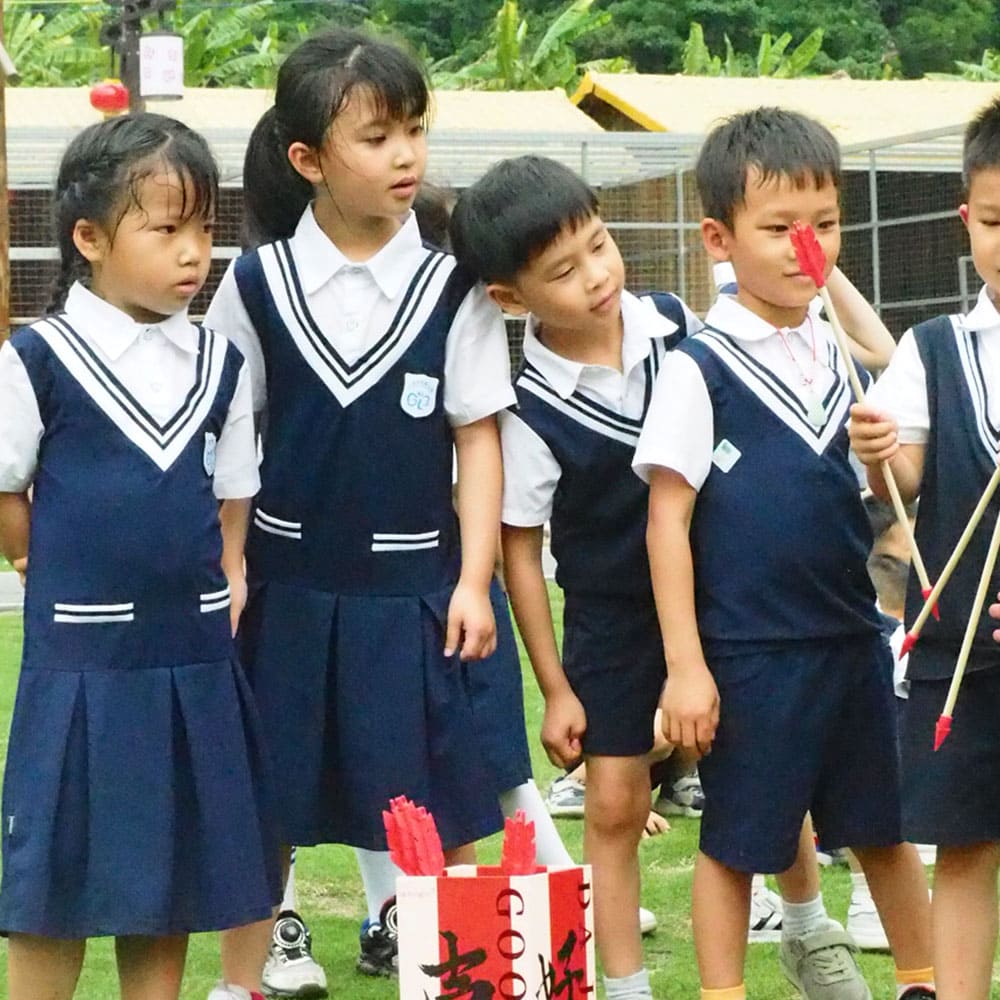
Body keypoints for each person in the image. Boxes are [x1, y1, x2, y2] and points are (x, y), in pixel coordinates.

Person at [202, 28, 517, 997]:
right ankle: (242, 978)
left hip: (417, 591)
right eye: (376, 137)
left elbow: (478, 437)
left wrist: (471, 580)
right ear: (307, 160)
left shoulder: (451, 284)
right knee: (264, 798)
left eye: (414, 130)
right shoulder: (253, 285)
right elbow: (226, 433)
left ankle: (457, 974)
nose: (405, 155)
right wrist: (231, 564)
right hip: (287, 595)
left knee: (446, 795)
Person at [635, 107, 934, 1000]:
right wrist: (686, 667)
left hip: (851, 639)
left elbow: (883, 500)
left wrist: (884, 465)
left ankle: (921, 984)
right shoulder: (701, 367)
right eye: (778, 229)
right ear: (720, 238)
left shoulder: (839, 359)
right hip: (752, 655)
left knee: (882, 831)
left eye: (826, 225)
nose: (807, 246)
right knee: (738, 842)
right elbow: (665, 525)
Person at [0, 113, 279, 1000]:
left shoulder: (220, 364)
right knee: (55, 877)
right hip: (81, 659)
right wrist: (39, 567)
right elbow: (7, 489)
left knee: (164, 882)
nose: (195, 253)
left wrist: (229, 573)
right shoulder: (38, 357)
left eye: (205, 228)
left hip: (190, 659)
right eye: (166, 230)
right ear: (88, 238)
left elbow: (233, 494)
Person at [449, 154, 703, 1000]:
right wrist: (555, 688)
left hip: (722, 601)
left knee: (767, 779)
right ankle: (623, 985)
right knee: (614, 805)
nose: (596, 276)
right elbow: (521, 552)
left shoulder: (675, 324)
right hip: (611, 623)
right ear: (509, 298)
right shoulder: (528, 404)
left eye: (599, 246)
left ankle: (805, 927)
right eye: (564, 270)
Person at [850, 95, 1000, 1000]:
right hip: (962, 655)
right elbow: (904, 481)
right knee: (967, 846)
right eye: (995, 222)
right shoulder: (932, 348)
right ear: (966, 218)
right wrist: (877, 458)